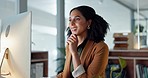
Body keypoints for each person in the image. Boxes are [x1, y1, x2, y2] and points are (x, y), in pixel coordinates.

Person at [57, 5, 110, 78]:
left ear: (88, 23)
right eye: (70, 20)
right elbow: (66, 74)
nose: (71, 24)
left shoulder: (101, 48)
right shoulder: (70, 45)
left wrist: (74, 53)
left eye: (77, 19)